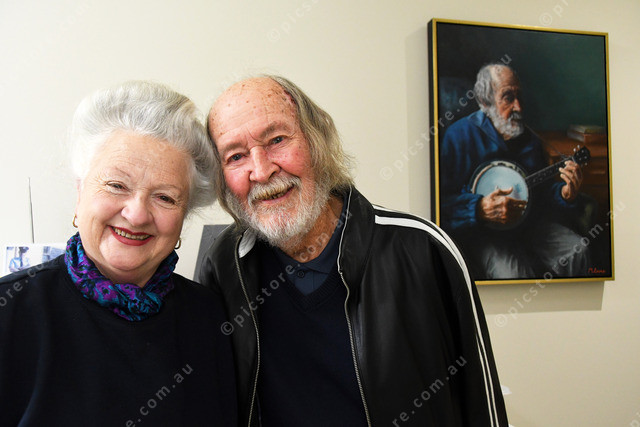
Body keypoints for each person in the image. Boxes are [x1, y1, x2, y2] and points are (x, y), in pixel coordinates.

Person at [198, 75, 508, 426]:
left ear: (316, 140)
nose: (261, 171)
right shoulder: (224, 265)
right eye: (236, 156)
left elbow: (481, 404)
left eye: (277, 140)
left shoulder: (423, 249)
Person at [0, 81, 237, 425]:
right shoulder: (10, 313)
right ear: (80, 193)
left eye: (165, 197)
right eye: (116, 185)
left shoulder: (210, 318)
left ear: (183, 216)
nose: (137, 214)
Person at [440, 63, 589, 280]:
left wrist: (564, 194)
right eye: (508, 97)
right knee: (513, 274)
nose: (518, 107)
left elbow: (541, 191)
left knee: (578, 251)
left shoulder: (529, 138)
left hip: (529, 225)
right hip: (484, 234)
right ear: (485, 102)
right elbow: (440, 204)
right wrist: (478, 208)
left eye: (519, 97)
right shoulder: (459, 136)